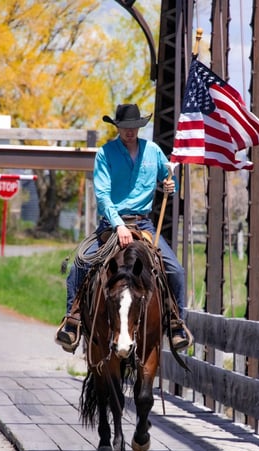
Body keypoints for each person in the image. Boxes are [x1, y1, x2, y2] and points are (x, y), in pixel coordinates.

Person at [54, 103, 193, 353]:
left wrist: (171, 185)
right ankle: (72, 322)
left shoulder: (153, 151)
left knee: (176, 271)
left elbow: (168, 175)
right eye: (125, 127)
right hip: (112, 223)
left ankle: (176, 324)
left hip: (144, 223)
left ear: (140, 127)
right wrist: (118, 225)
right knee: (79, 266)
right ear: (117, 127)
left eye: (134, 127)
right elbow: (103, 195)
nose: (130, 132)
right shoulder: (105, 153)